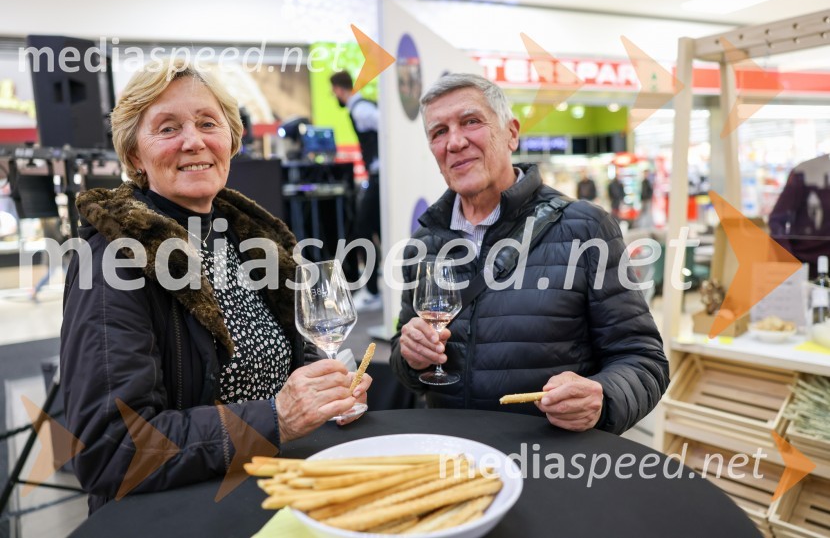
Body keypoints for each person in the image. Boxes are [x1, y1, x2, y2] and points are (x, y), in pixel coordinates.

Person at [60, 59, 371, 513]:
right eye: (167, 129)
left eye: (209, 123)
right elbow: (110, 449)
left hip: (273, 495)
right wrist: (276, 418)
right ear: (133, 157)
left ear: (231, 139)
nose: (194, 141)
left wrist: (326, 394)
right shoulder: (114, 257)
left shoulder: (247, 243)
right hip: (182, 515)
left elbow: (292, 373)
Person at [390, 73, 668, 435]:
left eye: (470, 122)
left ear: (511, 133)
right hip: (453, 460)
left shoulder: (586, 228)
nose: (454, 142)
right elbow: (407, 361)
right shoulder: (424, 242)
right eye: (438, 132)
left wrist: (603, 398)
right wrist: (410, 357)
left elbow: (644, 359)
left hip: (550, 464)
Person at [330, 70, 381, 311]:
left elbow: (389, 130)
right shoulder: (360, 108)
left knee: (362, 230)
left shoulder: (361, 110)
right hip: (378, 177)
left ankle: (372, 291)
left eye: (334, 92)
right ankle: (375, 290)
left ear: (339, 90)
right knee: (374, 231)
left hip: (379, 177)